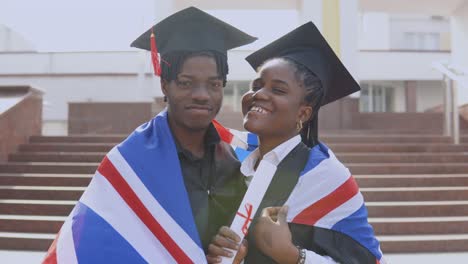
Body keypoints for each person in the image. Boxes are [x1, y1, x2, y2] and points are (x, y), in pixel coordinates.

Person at [42, 7, 256, 263]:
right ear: (164, 84)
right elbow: (91, 243)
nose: (202, 94)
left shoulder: (235, 158)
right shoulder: (130, 162)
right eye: (186, 82)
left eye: (214, 84)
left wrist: (238, 253)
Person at [207, 22, 385, 264]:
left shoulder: (324, 175)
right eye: (256, 85)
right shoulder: (237, 160)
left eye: (278, 90)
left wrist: (291, 255)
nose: (259, 94)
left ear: (303, 113)